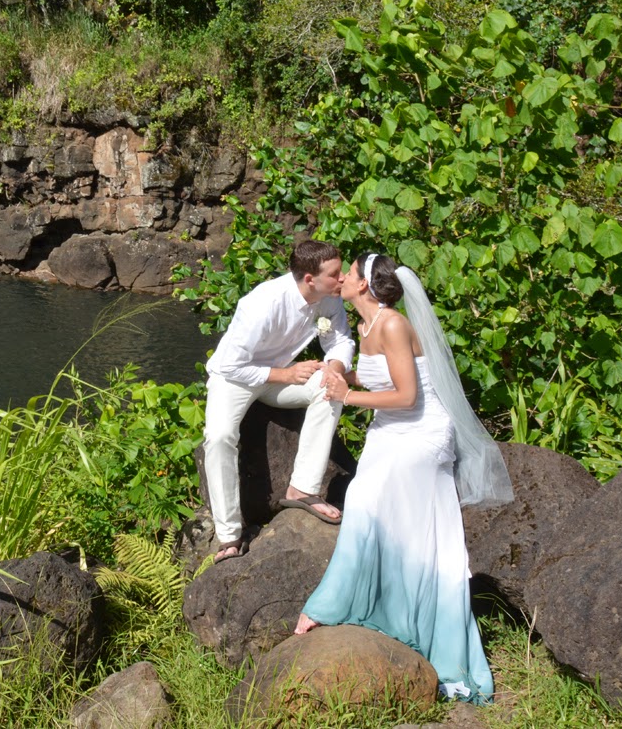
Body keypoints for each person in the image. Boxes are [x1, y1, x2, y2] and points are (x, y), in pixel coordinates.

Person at [294, 252, 514, 703]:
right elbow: (381, 375)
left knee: (370, 502)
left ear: (364, 285)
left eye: (350, 273)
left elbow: (409, 396)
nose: (343, 278)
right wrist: (337, 372)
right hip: (389, 431)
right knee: (368, 503)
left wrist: (347, 396)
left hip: (421, 432)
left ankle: (333, 605)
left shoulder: (393, 324)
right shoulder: (367, 325)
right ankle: (389, 611)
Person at [202, 238, 355, 563]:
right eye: (335, 274)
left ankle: (303, 488)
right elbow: (230, 365)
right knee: (219, 437)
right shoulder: (262, 303)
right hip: (234, 379)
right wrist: (285, 374)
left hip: (281, 376)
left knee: (331, 388)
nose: (342, 278)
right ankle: (229, 536)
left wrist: (334, 369)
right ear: (310, 279)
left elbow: (340, 340)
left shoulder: (328, 296)